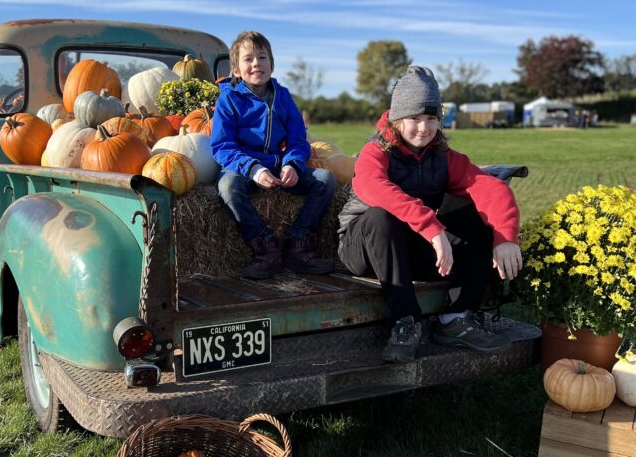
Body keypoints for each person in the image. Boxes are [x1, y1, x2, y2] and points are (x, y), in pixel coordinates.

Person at [337, 66, 523, 363]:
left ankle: (457, 318)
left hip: (411, 247)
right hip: (364, 248)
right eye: (414, 118)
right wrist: (432, 228)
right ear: (397, 119)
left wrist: (505, 237)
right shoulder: (376, 152)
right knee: (380, 216)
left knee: (479, 221)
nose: (423, 128)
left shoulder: (443, 157)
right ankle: (405, 322)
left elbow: (490, 187)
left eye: (431, 119)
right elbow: (376, 190)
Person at [210, 30, 337, 279]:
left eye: (262, 57)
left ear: (272, 64)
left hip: (278, 165)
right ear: (236, 70)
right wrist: (254, 169)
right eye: (248, 59)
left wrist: (292, 164)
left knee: (325, 180)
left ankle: (298, 243)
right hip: (242, 167)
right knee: (227, 186)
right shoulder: (229, 100)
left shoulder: (284, 97)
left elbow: (298, 140)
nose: (256, 63)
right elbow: (222, 146)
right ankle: (265, 247)